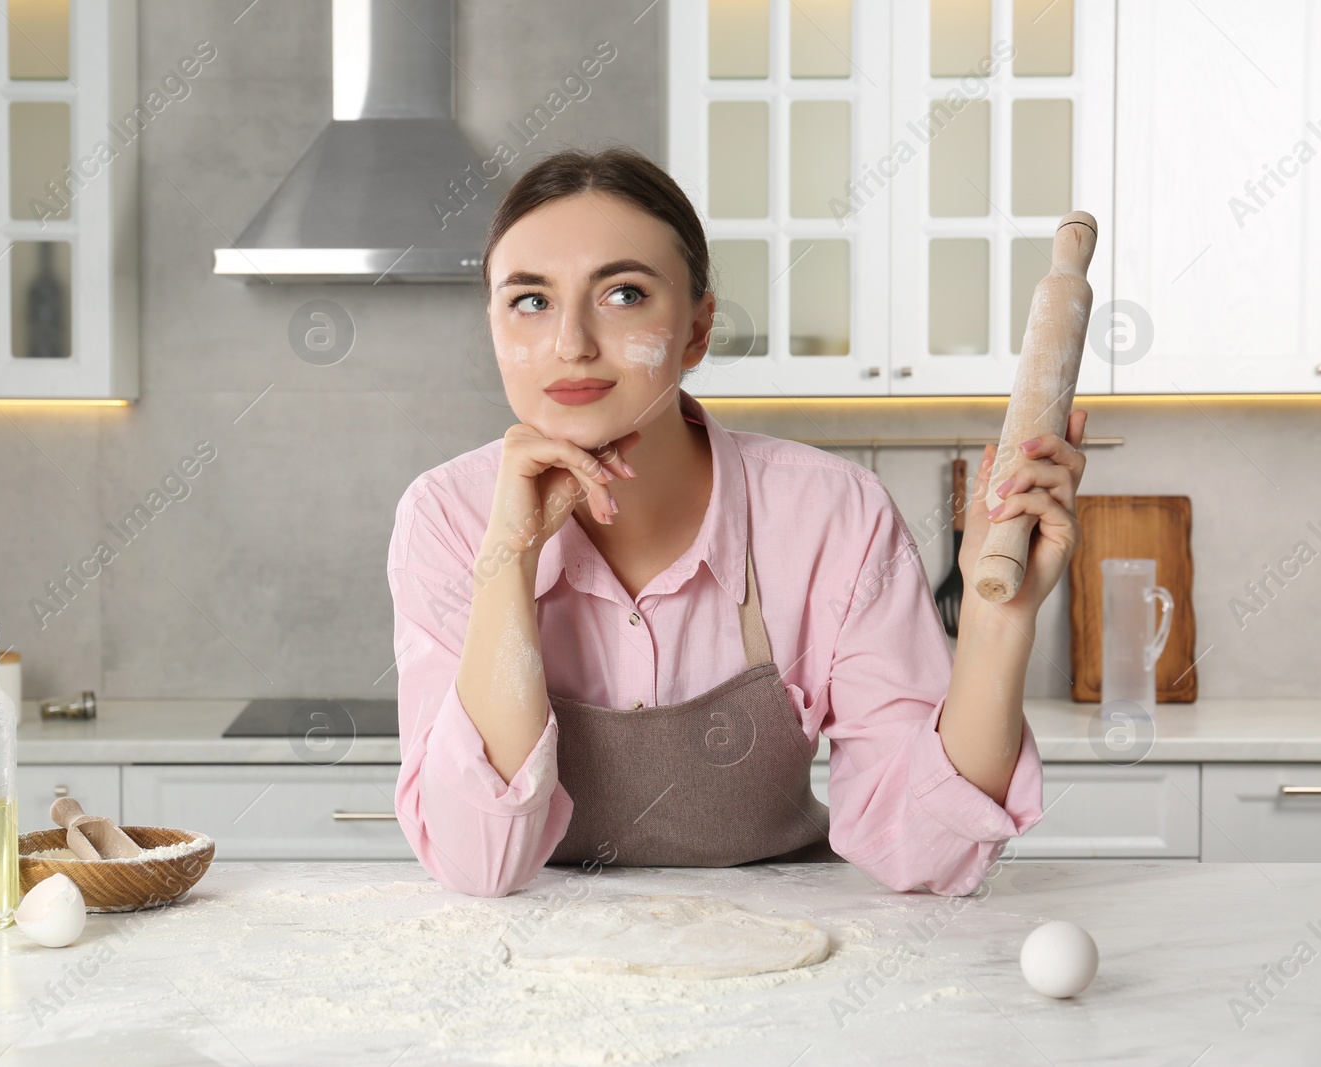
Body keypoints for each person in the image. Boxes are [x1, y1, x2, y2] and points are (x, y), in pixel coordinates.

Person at [386, 145, 1087, 898]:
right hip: (542, 978)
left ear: (697, 329)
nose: (571, 343)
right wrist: (511, 557)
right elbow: (480, 864)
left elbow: (928, 858)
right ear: (493, 326)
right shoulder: (449, 518)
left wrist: (994, 623)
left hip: (785, 957)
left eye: (623, 294)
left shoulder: (832, 518)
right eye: (531, 300)